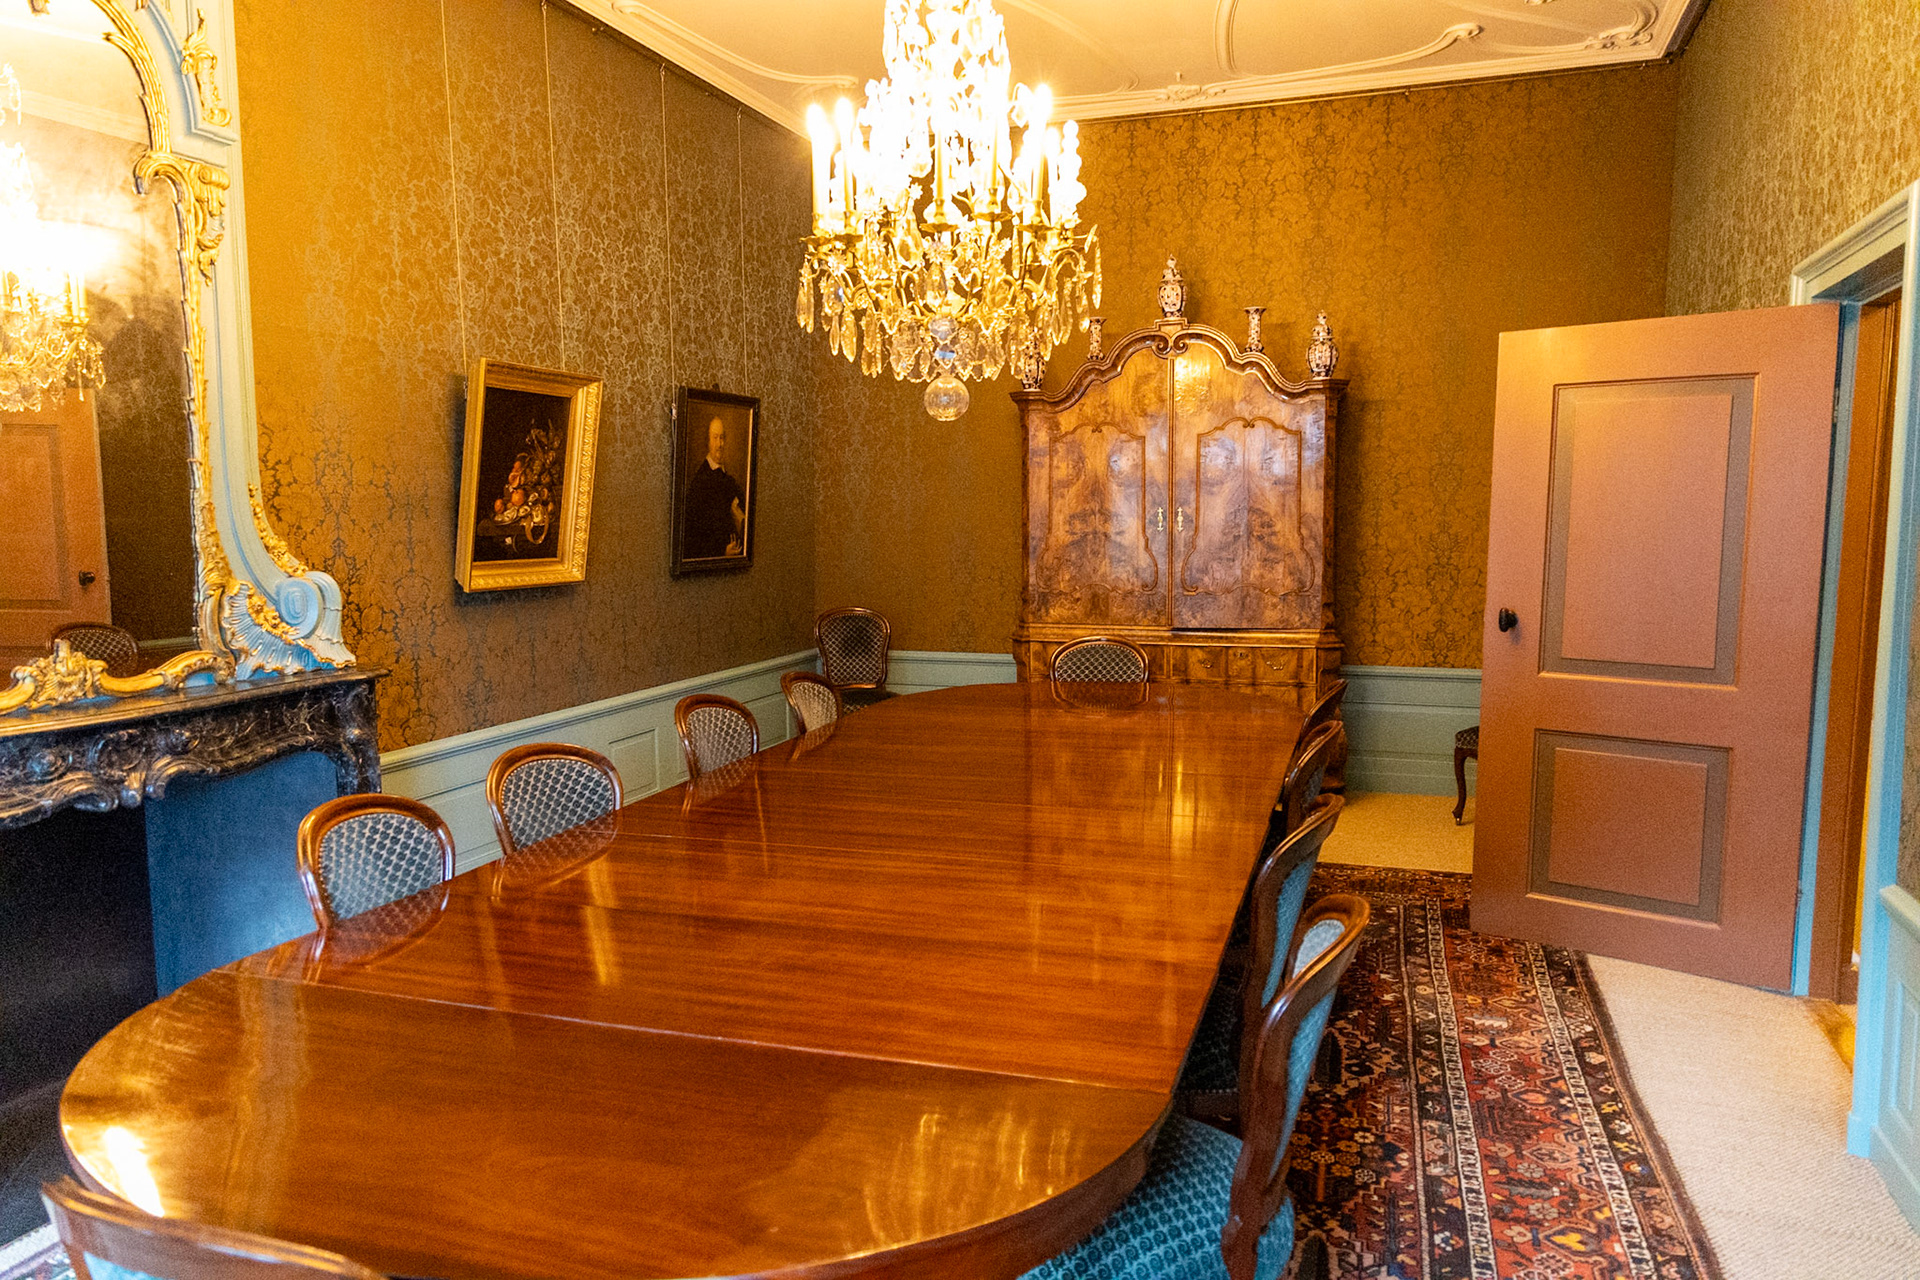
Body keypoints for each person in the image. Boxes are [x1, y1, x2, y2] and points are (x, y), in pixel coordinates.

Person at [683, 415, 745, 558]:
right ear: (708, 442)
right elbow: (693, 536)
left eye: (722, 438)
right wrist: (721, 551)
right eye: (715, 438)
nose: (719, 444)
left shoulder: (728, 479)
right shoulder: (700, 481)